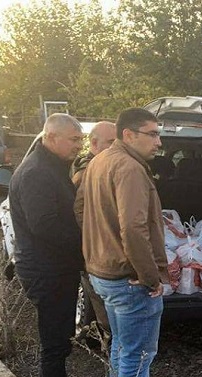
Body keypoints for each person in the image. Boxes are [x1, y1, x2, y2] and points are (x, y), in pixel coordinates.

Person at [76, 108, 175, 377]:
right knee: (138, 355)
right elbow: (133, 227)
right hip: (127, 278)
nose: (159, 142)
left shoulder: (100, 161)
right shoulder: (130, 168)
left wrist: (97, 249)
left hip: (102, 272)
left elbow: (79, 210)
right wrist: (150, 277)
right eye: (153, 134)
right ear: (129, 135)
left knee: (121, 349)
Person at [8, 113, 87, 377]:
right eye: (74, 140)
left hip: (55, 267)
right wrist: (87, 244)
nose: (79, 146)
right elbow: (45, 226)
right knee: (54, 341)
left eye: (81, 140)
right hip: (46, 270)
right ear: (51, 137)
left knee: (61, 337)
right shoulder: (37, 173)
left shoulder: (50, 166)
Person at [72, 121, 117, 343]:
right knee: (107, 317)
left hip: (100, 252)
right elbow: (79, 211)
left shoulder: (105, 165)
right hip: (98, 254)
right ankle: (107, 350)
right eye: (111, 142)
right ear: (94, 143)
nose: (115, 146)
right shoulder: (89, 170)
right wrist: (96, 243)